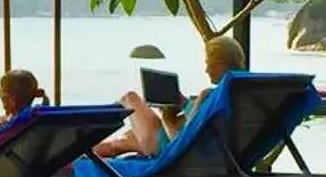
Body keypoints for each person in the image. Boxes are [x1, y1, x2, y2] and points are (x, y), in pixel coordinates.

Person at [98, 33, 246, 159]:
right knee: (120, 142)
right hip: (212, 154)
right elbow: (201, 124)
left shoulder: (207, 94)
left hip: (165, 146)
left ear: (220, 64)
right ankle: (83, 155)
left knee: (129, 98)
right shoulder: (238, 94)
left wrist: (166, 117)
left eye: (209, 64)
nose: (206, 70)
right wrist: (184, 104)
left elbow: (182, 143)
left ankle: (92, 129)